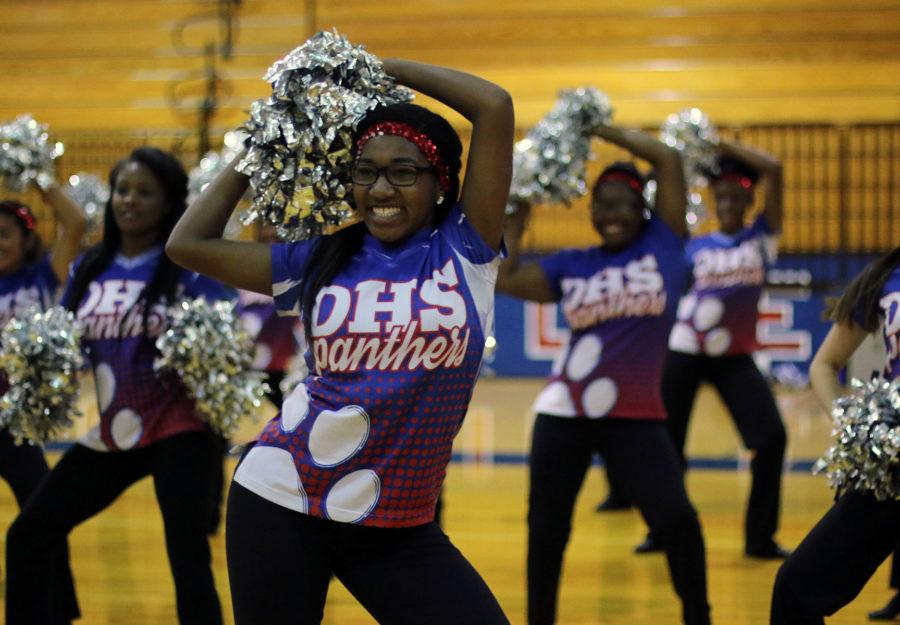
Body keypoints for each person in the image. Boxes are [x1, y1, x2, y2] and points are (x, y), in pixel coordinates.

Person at [166, 57, 514, 624]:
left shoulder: (466, 250)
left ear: (442, 181)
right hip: (280, 500)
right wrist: (262, 142)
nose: (380, 188)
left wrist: (367, 65)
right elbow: (188, 243)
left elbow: (494, 105)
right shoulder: (319, 258)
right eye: (365, 171)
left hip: (397, 524)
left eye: (403, 172)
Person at [497, 124, 712, 625]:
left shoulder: (664, 247)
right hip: (563, 413)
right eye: (600, 204)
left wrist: (594, 128)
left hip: (636, 415)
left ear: (643, 210)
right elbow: (504, 278)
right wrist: (520, 207)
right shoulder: (573, 263)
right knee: (547, 531)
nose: (608, 215)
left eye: (620, 204)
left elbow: (666, 158)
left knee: (677, 521)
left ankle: (699, 616)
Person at [6, 147, 231, 625]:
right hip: (113, 435)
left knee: (188, 561)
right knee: (28, 534)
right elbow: (66, 339)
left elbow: (223, 333)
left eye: (144, 193)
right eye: (122, 190)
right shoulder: (91, 267)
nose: (129, 201)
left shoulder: (186, 264)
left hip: (180, 434)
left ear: (170, 203)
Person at [636, 141, 789, 558]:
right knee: (666, 443)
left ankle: (760, 539)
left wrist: (714, 143)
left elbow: (773, 166)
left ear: (747, 201)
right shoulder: (695, 247)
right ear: (713, 200)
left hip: (735, 356)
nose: (727, 203)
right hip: (684, 351)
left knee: (771, 438)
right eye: (720, 196)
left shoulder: (762, 238)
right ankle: (662, 531)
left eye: (735, 197)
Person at [770, 246, 900, 624]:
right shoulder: (885, 278)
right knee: (795, 586)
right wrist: (853, 423)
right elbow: (824, 365)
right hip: (892, 469)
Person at [0, 182, 85, 625]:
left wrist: (37, 176)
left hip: (17, 425)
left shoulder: (43, 278)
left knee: (41, 515)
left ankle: (57, 611)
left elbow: (75, 223)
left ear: (24, 238)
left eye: (4, 234)